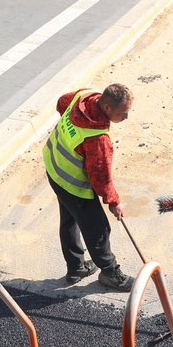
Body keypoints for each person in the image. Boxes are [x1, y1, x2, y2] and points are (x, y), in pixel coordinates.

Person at [43, 84, 135, 292]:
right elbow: (101, 178)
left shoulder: (83, 96)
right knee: (98, 228)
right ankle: (110, 273)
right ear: (107, 108)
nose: (126, 118)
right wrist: (114, 202)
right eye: (124, 113)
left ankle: (76, 268)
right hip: (72, 183)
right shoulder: (97, 139)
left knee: (69, 220)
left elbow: (61, 102)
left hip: (54, 166)